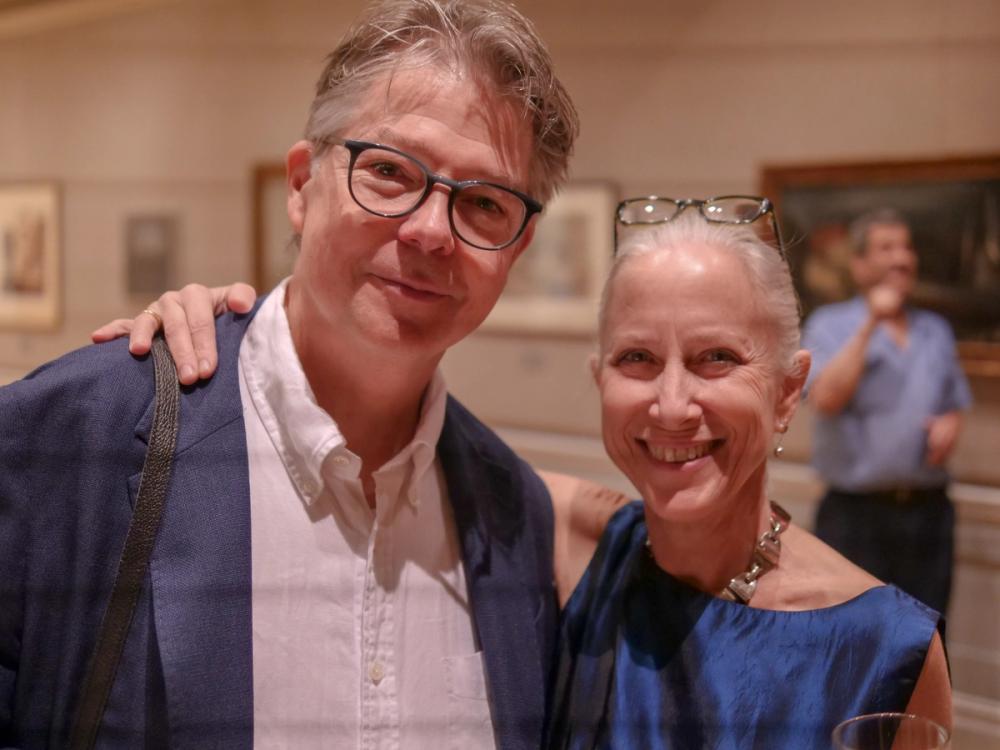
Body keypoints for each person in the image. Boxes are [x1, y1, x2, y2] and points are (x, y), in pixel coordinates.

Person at [132, 198, 952, 747]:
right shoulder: (563, 537)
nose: (671, 403)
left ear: (786, 393)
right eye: (637, 359)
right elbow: (366, 413)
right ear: (600, 381)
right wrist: (221, 331)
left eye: (716, 360)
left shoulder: (885, 647)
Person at [0, 1, 579, 747]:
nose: (432, 231)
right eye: (391, 172)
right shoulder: (71, 441)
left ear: (518, 246)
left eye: (486, 203)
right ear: (302, 185)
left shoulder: (514, 516)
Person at [802, 208, 972, 616]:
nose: (902, 258)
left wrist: (951, 424)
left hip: (929, 512)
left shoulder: (935, 329)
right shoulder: (829, 325)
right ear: (859, 265)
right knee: (851, 639)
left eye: (907, 247)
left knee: (926, 636)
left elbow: (954, 404)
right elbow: (824, 399)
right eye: (886, 248)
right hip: (855, 516)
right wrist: (872, 323)